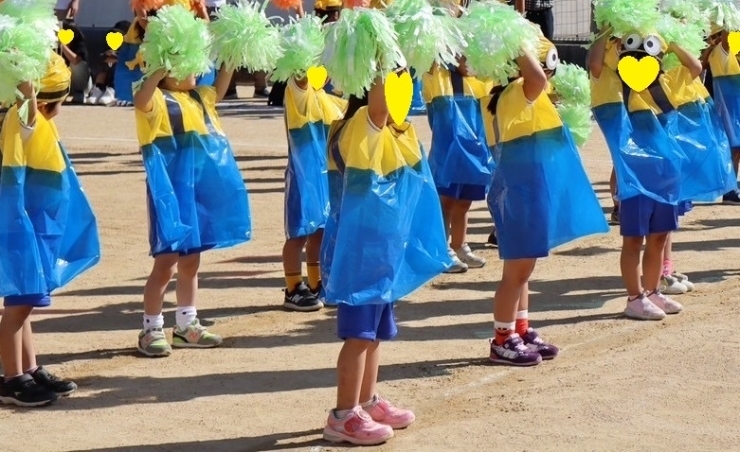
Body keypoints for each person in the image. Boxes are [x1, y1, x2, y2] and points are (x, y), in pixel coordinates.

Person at [132, 8, 252, 356]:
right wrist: (155, 68)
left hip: (199, 191)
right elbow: (140, 100)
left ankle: (186, 324)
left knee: (192, 261)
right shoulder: (155, 97)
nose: (196, 71)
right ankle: (151, 328)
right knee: (166, 262)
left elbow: (222, 86)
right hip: (171, 191)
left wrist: (229, 57)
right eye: (186, 64)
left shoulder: (200, 96)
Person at [485, 28, 607, 365]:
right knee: (515, 271)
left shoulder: (529, 94)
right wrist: (516, 40)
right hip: (518, 190)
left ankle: (520, 329)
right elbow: (536, 78)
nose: (549, 70)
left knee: (524, 270)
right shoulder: (512, 93)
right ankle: (501, 338)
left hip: (531, 187)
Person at [0, 53, 101, 407]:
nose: (62, 108)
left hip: (35, 220)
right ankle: (11, 379)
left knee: (22, 301)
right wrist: (26, 81)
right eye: (60, 102)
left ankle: (29, 368)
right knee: (18, 305)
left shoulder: (30, 116)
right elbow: (28, 102)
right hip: (25, 223)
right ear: (44, 103)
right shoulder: (24, 115)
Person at [589, 23, 694, 320]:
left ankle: (653, 291)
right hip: (634, 179)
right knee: (634, 240)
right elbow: (595, 63)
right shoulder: (612, 84)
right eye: (631, 49)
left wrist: (670, 41)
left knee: (660, 236)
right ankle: (635, 298)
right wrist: (607, 31)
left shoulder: (666, 83)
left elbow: (695, 66)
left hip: (665, 176)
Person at [280, 58, 346, 311]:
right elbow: (299, 77)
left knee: (320, 229)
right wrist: (306, 52)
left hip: (326, 175)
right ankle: (293, 287)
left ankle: (316, 282)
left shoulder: (331, 99)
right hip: (304, 174)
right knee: (299, 232)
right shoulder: (299, 93)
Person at [422, 58, 492, 273]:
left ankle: (459, 245)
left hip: (476, 148)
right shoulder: (438, 73)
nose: (468, 58)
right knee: (447, 200)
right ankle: (441, 251)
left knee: (464, 201)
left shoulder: (482, 77)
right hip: (448, 149)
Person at [87, 20, 132, 106]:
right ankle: (99, 88)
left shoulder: (131, 48)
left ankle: (112, 90)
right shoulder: (109, 45)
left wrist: (117, 58)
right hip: (108, 78)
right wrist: (106, 56)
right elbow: (98, 58)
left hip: (123, 83)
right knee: (103, 66)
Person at [57, 19, 92, 104]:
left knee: (78, 65)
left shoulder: (79, 44)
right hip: (63, 83)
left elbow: (76, 60)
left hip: (80, 82)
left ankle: (79, 92)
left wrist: (62, 45)